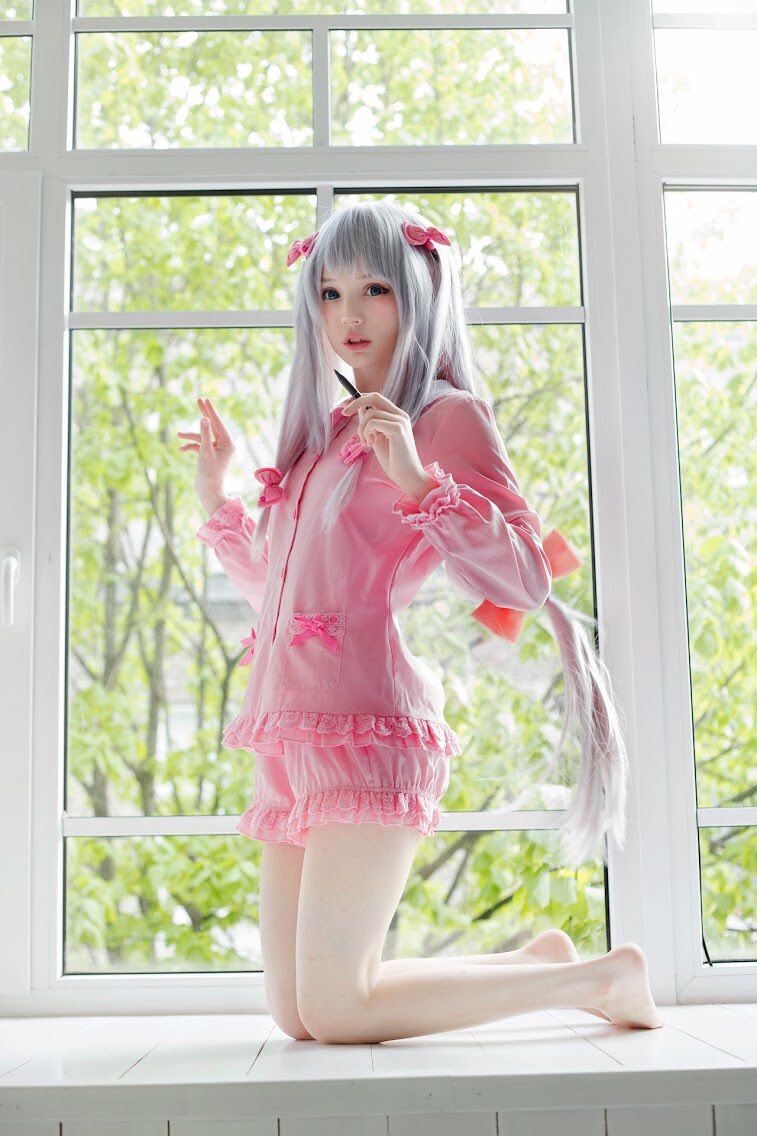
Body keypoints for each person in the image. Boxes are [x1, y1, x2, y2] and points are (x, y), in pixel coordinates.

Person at [177, 200, 663, 1043]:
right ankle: (538, 962)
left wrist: (414, 478)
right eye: (329, 293)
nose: (350, 314)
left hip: (366, 725)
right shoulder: (326, 434)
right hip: (289, 730)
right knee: (297, 1016)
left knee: (337, 1010)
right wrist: (216, 496)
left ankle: (600, 978)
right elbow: (285, 600)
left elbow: (521, 578)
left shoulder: (442, 417)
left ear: (418, 291)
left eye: (374, 289)